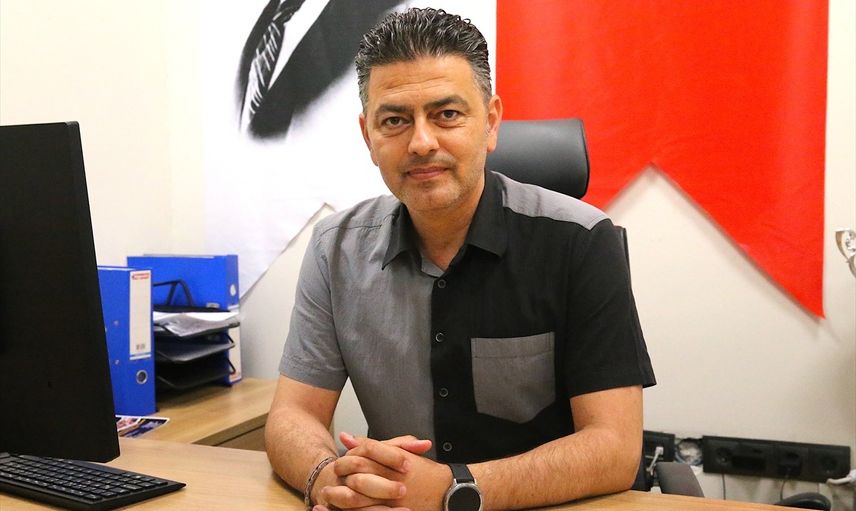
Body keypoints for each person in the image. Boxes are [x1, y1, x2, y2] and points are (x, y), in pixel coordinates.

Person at [265, 7, 655, 511]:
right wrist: (328, 480)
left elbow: (614, 449)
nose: (421, 142)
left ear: (490, 122)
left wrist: (453, 489)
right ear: (368, 137)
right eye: (394, 120)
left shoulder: (581, 241)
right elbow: (292, 416)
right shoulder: (333, 249)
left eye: (446, 114)